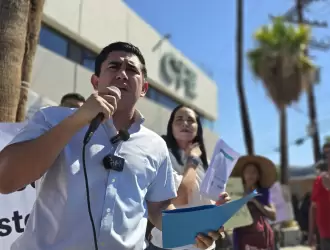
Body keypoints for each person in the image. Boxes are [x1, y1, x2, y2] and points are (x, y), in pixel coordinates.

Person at [0, 42, 221, 250]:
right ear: (96, 82)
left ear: (143, 88)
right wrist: (78, 120)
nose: (122, 74)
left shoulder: (155, 145)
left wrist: (193, 229)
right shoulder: (52, 119)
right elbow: (6, 179)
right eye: (114, 66)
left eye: (132, 70)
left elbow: (158, 208)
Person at [147, 105, 230, 250]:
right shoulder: (162, 155)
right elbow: (178, 197)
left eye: (190, 120)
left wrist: (220, 206)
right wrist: (192, 161)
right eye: (179, 119)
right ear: (170, 126)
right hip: (167, 245)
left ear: (198, 127)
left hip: (204, 245)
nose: (185, 123)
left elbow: (210, 203)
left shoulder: (210, 165)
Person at [231, 155, 277, 250]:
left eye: (254, 172)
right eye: (247, 172)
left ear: (258, 176)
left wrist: (255, 201)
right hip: (241, 237)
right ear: (242, 175)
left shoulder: (264, 192)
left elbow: (273, 215)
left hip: (261, 237)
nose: (250, 175)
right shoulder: (235, 192)